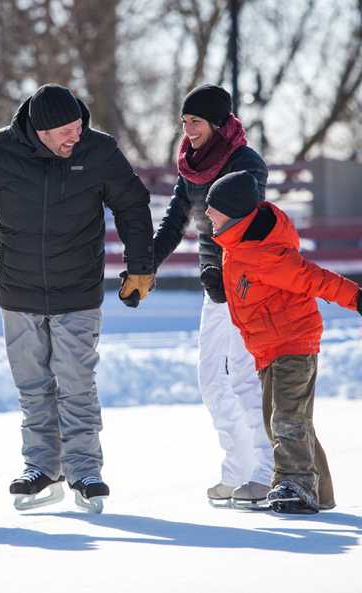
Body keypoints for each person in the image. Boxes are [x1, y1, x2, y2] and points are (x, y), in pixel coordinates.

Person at [0, 83, 155, 513]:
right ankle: (42, 467)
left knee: (76, 382)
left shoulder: (98, 152)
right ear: (41, 130)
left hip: (78, 289)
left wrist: (141, 265)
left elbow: (133, 205)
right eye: (66, 130)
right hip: (18, 289)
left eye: (78, 127)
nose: (76, 136)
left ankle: (84, 469)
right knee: (33, 385)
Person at [205, 170, 361, 513]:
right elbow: (251, 292)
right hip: (267, 349)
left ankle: (295, 484)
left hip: (293, 343)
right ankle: (318, 490)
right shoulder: (236, 246)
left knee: (287, 420)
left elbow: (317, 280)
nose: (207, 214)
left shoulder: (268, 253)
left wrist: (357, 299)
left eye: (214, 209)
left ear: (234, 214)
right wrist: (220, 285)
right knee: (285, 419)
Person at [153, 84, 273, 508]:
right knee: (210, 378)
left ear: (219, 125)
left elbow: (247, 224)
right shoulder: (192, 165)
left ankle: (266, 470)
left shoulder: (246, 164)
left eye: (196, 122)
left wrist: (223, 271)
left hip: (245, 282)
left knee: (242, 375)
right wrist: (147, 264)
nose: (188, 130)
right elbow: (175, 219)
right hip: (214, 283)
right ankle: (237, 468)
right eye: (184, 122)